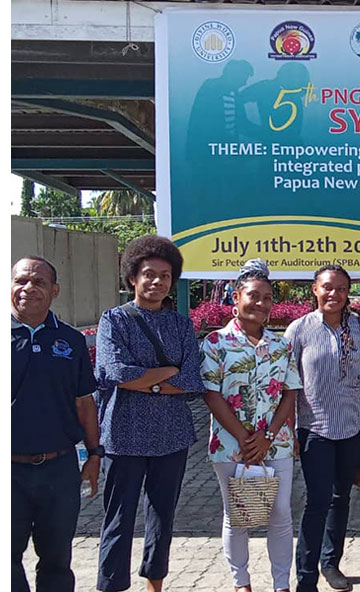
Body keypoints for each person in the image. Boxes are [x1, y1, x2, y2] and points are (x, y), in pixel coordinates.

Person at [94, 235, 205, 592]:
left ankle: (154, 584)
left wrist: (145, 381)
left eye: (165, 275)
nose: (157, 281)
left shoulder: (181, 325)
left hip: (172, 436)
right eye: (149, 274)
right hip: (123, 435)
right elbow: (115, 372)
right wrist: (168, 374)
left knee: (162, 517)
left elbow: (192, 380)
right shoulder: (114, 321)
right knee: (119, 518)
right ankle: (111, 585)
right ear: (133, 278)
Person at [285, 265, 360, 592]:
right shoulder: (299, 330)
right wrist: (288, 431)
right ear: (315, 289)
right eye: (328, 287)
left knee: (340, 497)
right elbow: (288, 385)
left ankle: (331, 563)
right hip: (314, 429)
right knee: (317, 501)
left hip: (353, 429)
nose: (334, 294)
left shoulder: (359, 327)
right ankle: (306, 578)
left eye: (342, 288)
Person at [201, 259, 301, 592]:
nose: (260, 303)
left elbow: (290, 392)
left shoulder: (282, 345)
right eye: (253, 296)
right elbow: (211, 394)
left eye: (267, 298)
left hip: (276, 442)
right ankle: (241, 583)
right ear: (235, 297)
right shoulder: (215, 343)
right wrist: (246, 439)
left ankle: (281, 584)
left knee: (280, 514)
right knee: (238, 515)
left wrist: (267, 437)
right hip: (232, 446)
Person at [12, 256, 101, 592]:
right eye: (21, 281)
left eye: (38, 282)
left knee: (57, 562)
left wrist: (95, 455)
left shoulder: (71, 340)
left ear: (55, 290)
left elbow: (84, 403)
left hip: (59, 470)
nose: (28, 288)